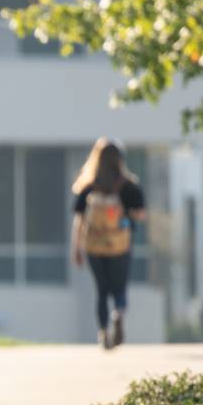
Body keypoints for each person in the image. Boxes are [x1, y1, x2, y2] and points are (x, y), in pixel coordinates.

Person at [70, 137, 148, 349]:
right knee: (119, 289)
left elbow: (79, 220)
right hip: (120, 244)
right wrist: (126, 216)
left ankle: (104, 333)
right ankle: (118, 313)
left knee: (102, 290)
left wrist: (76, 248)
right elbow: (141, 214)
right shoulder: (128, 186)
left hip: (94, 246)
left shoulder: (88, 186)